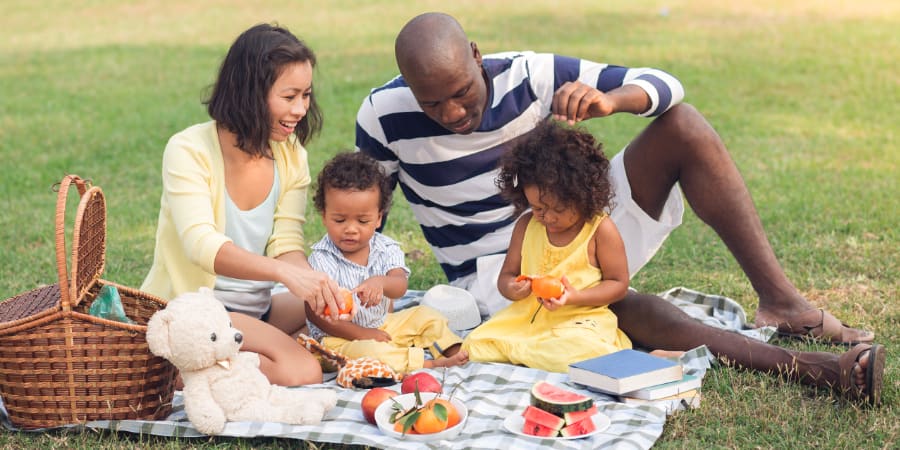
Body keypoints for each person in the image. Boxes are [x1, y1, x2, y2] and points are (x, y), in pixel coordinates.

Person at [355, 12, 885, 403]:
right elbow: (367, 213)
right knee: (631, 309)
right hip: (501, 279)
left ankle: (783, 304)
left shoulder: (528, 74)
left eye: (461, 92)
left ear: (476, 55)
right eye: (431, 102)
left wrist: (611, 101)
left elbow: (667, 86)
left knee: (684, 124)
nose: (452, 112)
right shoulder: (383, 115)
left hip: (575, 227)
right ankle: (812, 368)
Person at [142, 23, 344, 387]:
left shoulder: (291, 154)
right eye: (289, 96)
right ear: (251, 92)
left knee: (341, 307)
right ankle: (175, 368)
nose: (300, 109)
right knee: (303, 371)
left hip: (253, 312)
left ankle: (223, 360)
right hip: (197, 313)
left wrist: (310, 281)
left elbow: (286, 241)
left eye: (307, 95)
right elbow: (201, 245)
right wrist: (283, 274)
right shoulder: (188, 150)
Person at [463, 120, 638, 373]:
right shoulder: (526, 225)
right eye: (538, 208)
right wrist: (514, 288)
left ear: (584, 195)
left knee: (584, 350)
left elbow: (618, 284)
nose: (548, 217)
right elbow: (506, 277)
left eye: (559, 209)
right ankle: (530, 353)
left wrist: (574, 297)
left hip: (578, 321)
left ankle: (526, 354)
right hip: (526, 321)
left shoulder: (600, 230)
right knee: (474, 344)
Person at [304, 152, 469, 373]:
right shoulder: (321, 259)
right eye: (339, 220)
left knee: (426, 315)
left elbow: (399, 286)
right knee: (373, 353)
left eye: (363, 221)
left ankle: (451, 349)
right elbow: (314, 313)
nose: (351, 229)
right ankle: (425, 363)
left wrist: (380, 282)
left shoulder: (386, 248)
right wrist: (362, 334)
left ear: (379, 217)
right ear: (324, 216)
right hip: (338, 339)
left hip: (383, 324)